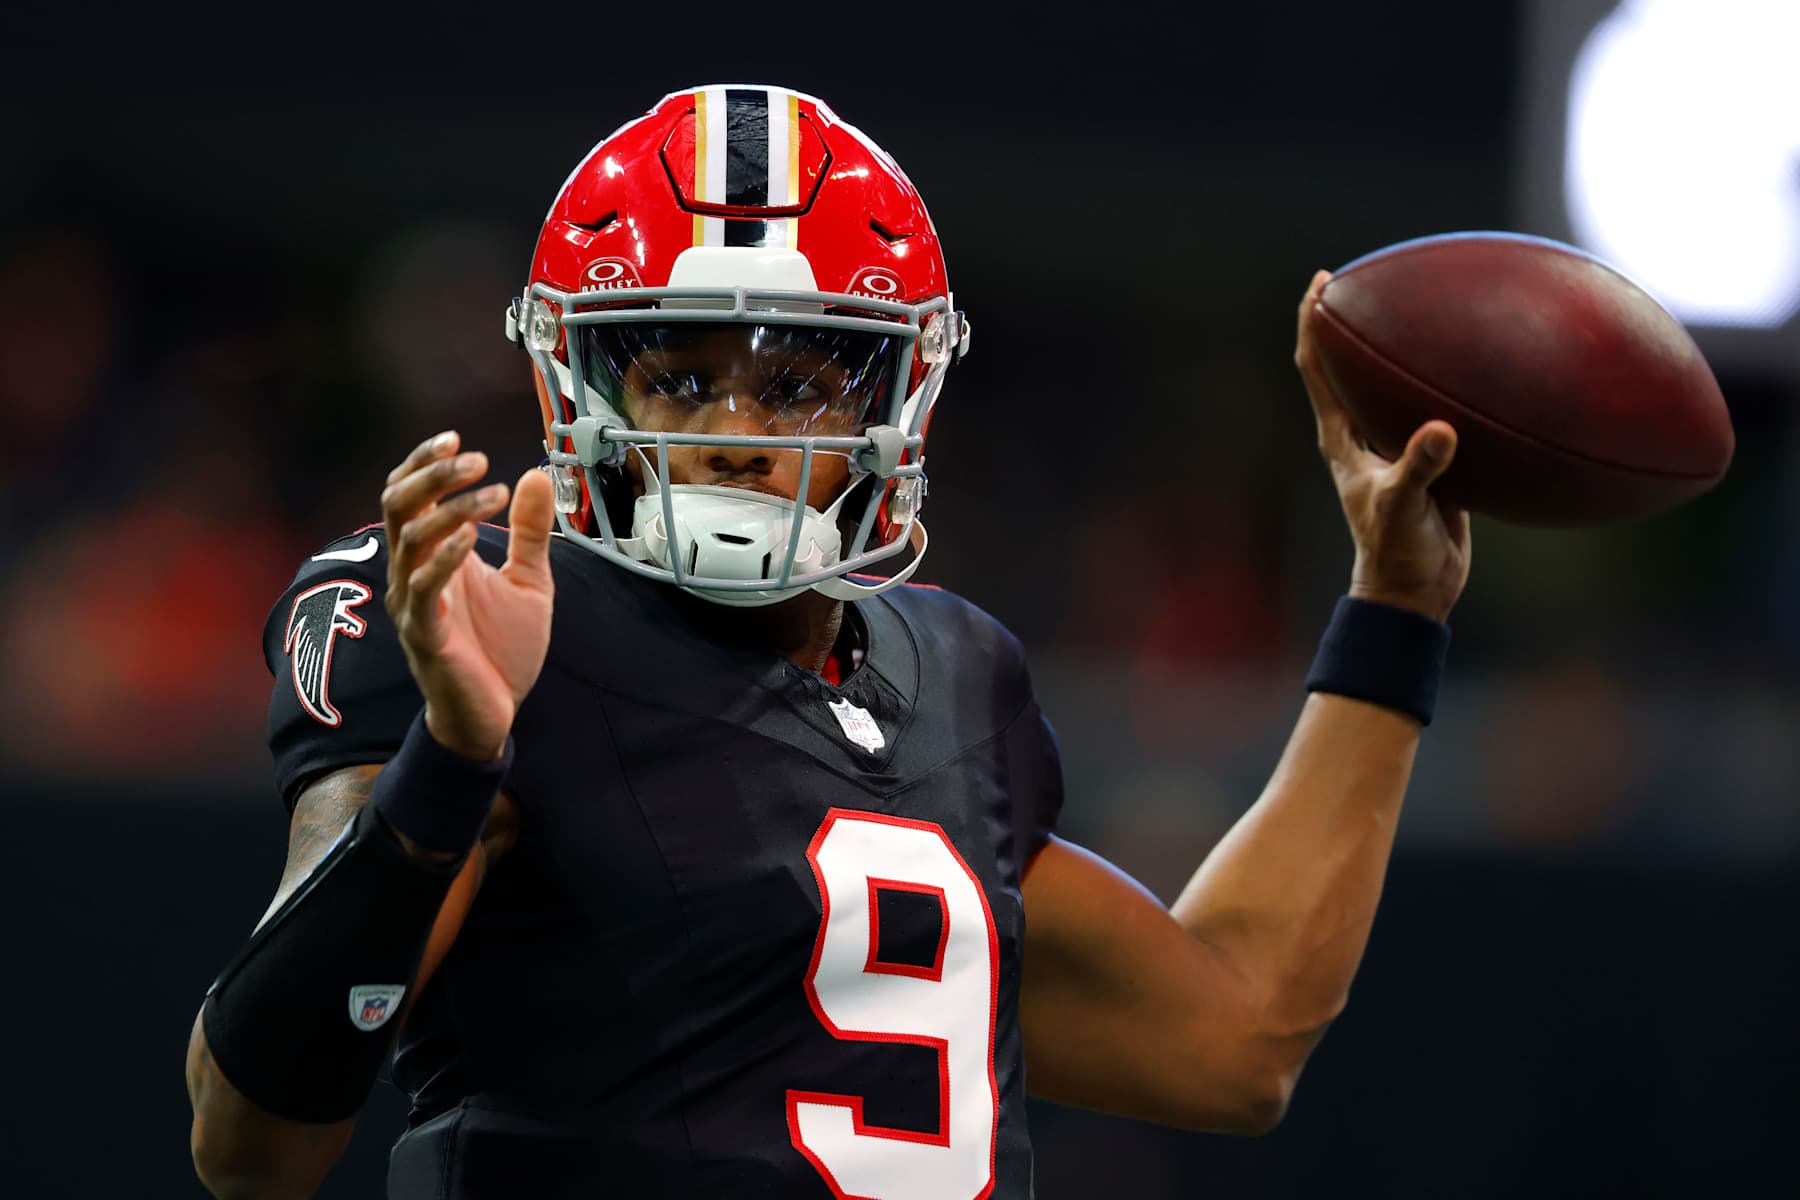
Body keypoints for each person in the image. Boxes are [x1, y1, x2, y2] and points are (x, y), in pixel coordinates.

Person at [185, 84, 1469, 1200]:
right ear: (580, 385)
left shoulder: (960, 676)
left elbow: (1234, 1042)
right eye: (681, 382)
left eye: (796, 387)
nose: (736, 435)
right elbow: (248, 1147)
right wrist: (451, 761)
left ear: (900, 400)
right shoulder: (488, 623)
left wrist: (1395, 610)